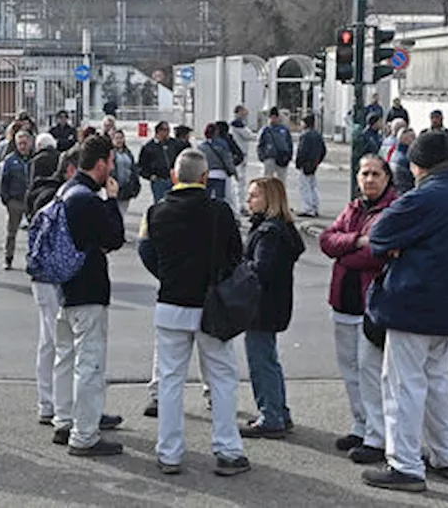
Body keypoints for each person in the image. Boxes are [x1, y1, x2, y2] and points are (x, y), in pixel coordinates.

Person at [361, 130, 448, 492]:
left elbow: (380, 235)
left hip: (414, 301)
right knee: (436, 382)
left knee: (402, 384)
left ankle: (405, 464)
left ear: (418, 166)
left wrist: (399, 246)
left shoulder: (425, 196)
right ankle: (446, 455)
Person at [138, 149, 250, 477]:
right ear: (204, 178)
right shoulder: (220, 212)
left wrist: (167, 275)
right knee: (222, 379)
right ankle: (228, 450)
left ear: (175, 176)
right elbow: (235, 254)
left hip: (171, 302)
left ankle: (170, 453)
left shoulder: (156, 212)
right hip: (212, 305)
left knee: (171, 380)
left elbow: (147, 252)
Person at [49, 135, 127, 457]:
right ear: (101, 164)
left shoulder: (65, 191)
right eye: (110, 161)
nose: (112, 166)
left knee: (64, 357)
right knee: (89, 363)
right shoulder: (89, 199)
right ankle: (84, 435)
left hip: (64, 286)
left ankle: (64, 419)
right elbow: (115, 237)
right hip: (88, 288)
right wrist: (112, 200)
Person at [319, 155, 398, 457]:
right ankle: (360, 425)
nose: (370, 179)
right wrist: (356, 241)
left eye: (376, 174)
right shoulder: (353, 207)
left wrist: (345, 250)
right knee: (349, 369)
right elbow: (327, 241)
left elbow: (378, 254)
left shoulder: (392, 209)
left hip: (372, 304)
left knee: (370, 371)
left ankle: (377, 437)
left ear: (387, 177)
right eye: (365, 173)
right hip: (343, 300)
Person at [240, 177, 305, 439]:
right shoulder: (280, 228)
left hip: (263, 306)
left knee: (261, 360)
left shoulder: (270, 232)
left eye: (254, 195)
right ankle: (278, 410)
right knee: (268, 359)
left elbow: (261, 269)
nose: (249, 200)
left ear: (269, 199)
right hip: (274, 304)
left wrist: (238, 267)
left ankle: (271, 415)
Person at [26, 147, 80, 426]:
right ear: (71, 170)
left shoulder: (44, 193)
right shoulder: (59, 196)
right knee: (59, 341)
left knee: (48, 340)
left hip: (42, 274)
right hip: (51, 276)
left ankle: (49, 402)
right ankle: (60, 406)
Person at [0, 131, 34, 270]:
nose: (23, 146)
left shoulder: (35, 159)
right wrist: (6, 199)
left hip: (31, 201)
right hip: (15, 200)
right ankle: (8, 258)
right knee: (11, 232)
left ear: (30, 143)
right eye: (20, 143)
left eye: (25, 143)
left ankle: (33, 259)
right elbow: (4, 181)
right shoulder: (10, 160)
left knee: (34, 232)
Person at [138, 121, 181, 202]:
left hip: (172, 178)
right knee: (160, 202)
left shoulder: (173, 144)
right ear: (158, 131)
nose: (167, 133)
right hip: (159, 180)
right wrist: (149, 176)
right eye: (165, 130)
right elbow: (141, 165)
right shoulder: (149, 147)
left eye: (168, 130)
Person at [295, 114, 327, 217]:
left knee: (305, 187)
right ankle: (315, 207)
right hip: (314, 163)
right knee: (313, 186)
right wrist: (318, 161)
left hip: (306, 164)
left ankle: (308, 208)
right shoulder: (318, 135)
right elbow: (323, 150)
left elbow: (302, 151)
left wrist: (299, 162)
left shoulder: (305, 135)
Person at [198, 123, 235, 201]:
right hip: (220, 174)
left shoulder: (201, 146)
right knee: (219, 198)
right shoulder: (222, 144)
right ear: (216, 132)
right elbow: (227, 159)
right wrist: (233, 171)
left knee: (207, 198)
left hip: (207, 174)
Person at [230, 106, 255, 212]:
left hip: (240, 154)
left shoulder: (240, 124)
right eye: (243, 112)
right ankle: (240, 205)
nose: (246, 114)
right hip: (240, 154)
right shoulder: (237, 124)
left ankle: (239, 204)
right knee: (240, 181)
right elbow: (249, 135)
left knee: (240, 181)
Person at [258, 107, 293, 183]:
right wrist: (262, 156)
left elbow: (289, 143)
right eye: (271, 117)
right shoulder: (265, 130)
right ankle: (268, 194)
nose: (273, 119)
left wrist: (289, 156)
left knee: (281, 181)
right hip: (269, 157)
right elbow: (260, 144)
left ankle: (280, 194)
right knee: (267, 180)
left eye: (275, 117)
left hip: (282, 157)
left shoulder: (284, 129)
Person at [111, 130, 141, 218]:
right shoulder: (111, 153)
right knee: (114, 212)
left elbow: (133, 169)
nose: (119, 140)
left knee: (122, 213)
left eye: (121, 138)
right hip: (114, 187)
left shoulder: (128, 153)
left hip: (126, 188)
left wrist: (135, 184)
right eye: (117, 138)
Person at [390, 127, 416, 193]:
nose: (415, 140)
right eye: (413, 137)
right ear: (405, 140)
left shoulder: (394, 154)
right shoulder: (406, 158)